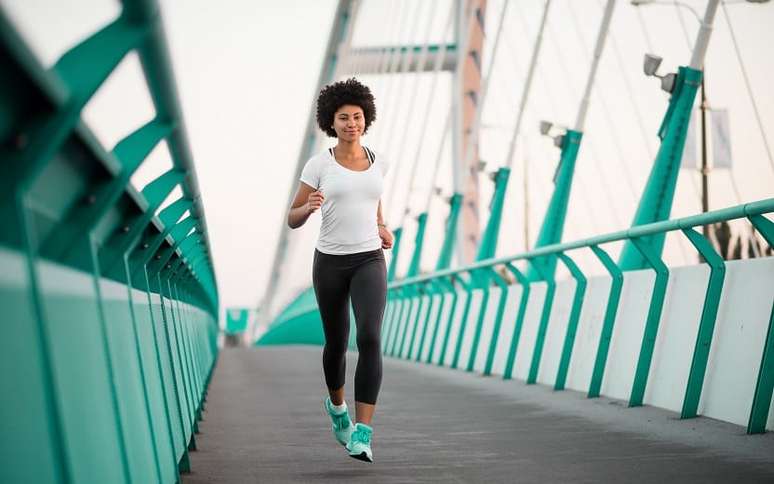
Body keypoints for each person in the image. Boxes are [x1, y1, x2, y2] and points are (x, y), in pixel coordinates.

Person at [287, 78, 393, 463]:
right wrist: (308, 206)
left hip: (369, 259)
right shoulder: (319, 164)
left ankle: (363, 433)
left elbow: (373, 200)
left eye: (357, 116)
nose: (352, 123)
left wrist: (382, 226)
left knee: (370, 337)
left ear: (367, 119)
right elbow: (292, 218)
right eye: (344, 117)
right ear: (331, 122)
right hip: (330, 261)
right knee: (336, 343)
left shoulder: (379, 161)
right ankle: (337, 409)